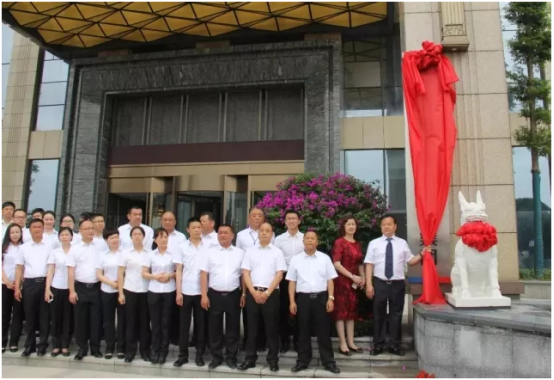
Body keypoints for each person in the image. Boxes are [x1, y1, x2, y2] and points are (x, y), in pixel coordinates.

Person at [365, 214, 428, 356]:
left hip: (397, 284)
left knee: (396, 314)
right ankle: (378, 345)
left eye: (389, 224)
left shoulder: (402, 243)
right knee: (378, 314)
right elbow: (369, 264)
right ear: (381, 226)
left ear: (395, 226)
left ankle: (394, 345)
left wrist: (422, 254)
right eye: (383, 224)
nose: (386, 226)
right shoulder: (374, 243)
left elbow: (411, 261)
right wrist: (369, 284)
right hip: (380, 282)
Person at [286, 230, 340, 374]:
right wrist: (292, 301)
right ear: (303, 241)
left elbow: (330, 280)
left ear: (317, 242)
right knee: (303, 331)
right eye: (307, 238)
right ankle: (302, 362)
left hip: (321, 298)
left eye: (313, 238)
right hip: (302, 299)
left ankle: (329, 362)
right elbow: (292, 282)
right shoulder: (296, 260)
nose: (310, 240)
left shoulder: (324, 258)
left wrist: (331, 298)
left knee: (324, 332)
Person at [239, 222, 286, 372]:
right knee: (251, 329)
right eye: (262, 230)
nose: (264, 233)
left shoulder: (277, 252)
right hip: (253, 293)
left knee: (271, 328)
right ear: (258, 233)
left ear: (272, 234)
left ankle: (273, 360)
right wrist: (252, 292)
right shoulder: (250, 252)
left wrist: (266, 293)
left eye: (268, 231)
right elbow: (245, 273)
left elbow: (279, 274)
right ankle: (250, 359)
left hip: (271, 294)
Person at [199, 224, 245, 370]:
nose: (222, 235)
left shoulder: (240, 253)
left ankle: (231, 357)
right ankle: (216, 357)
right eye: (220, 233)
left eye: (226, 233)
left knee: (233, 327)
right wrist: (204, 295)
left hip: (233, 294)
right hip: (214, 294)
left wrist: (243, 293)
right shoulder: (209, 252)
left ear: (232, 235)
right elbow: (204, 274)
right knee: (214, 327)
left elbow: (244, 275)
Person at [236, 207, 273, 352]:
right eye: (254, 215)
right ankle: (248, 342)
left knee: (265, 313)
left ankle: (263, 342)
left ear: (263, 218)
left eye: (260, 215)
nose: (257, 218)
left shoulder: (269, 233)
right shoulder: (241, 235)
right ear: (249, 218)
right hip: (247, 277)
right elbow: (239, 256)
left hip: (265, 278)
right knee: (249, 314)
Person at [173, 217, 209, 367]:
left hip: (202, 292)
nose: (196, 230)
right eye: (193, 227)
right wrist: (178, 292)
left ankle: (199, 355)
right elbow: (179, 270)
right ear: (188, 230)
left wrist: (206, 293)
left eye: (199, 227)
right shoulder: (181, 247)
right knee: (184, 325)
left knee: (201, 325)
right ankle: (183, 355)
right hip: (186, 291)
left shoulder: (209, 246)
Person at [14, 218, 51, 357]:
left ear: (43, 229)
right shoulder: (23, 248)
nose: (37, 229)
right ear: (30, 230)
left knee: (44, 315)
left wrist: (48, 287)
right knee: (29, 316)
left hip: (45, 283)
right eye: (34, 227)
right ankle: (30, 345)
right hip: (29, 284)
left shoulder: (48, 247)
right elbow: (19, 268)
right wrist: (17, 287)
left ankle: (42, 345)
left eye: (39, 227)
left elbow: (51, 268)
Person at [67, 219, 103, 360]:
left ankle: (95, 348)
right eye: (86, 228)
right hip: (80, 287)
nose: (90, 231)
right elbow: (71, 271)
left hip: (96, 287)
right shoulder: (74, 249)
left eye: (91, 228)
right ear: (80, 230)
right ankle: (82, 348)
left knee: (96, 320)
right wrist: (72, 291)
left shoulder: (101, 246)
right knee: (80, 320)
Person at [331, 216, 365, 356]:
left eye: (353, 224)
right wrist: (352, 276)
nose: (351, 226)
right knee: (341, 313)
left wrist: (363, 278)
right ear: (344, 227)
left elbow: (360, 263)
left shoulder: (357, 244)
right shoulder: (339, 242)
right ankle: (342, 344)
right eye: (348, 224)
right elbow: (336, 264)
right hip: (341, 282)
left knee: (351, 313)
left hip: (355, 283)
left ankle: (351, 342)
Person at [142, 228, 176, 365]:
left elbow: (178, 271)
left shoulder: (173, 254)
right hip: (154, 290)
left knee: (166, 323)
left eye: (165, 236)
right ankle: (154, 350)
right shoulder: (150, 255)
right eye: (160, 237)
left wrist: (169, 275)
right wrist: (155, 277)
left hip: (169, 290)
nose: (163, 239)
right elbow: (144, 272)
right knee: (155, 323)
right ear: (155, 240)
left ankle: (164, 351)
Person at [118, 226, 151, 363]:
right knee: (130, 322)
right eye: (135, 234)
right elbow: (120, 273)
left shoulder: (149, 253)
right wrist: (120, 293)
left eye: (139, 234)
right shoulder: (125, 253)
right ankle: (130, 352)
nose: (137, 236)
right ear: (131, 237)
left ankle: (145, 351)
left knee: (144, 323)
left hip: (145, 291)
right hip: (129, 290)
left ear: (144, 237)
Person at [274, 209, 304, 353]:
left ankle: (298, 341)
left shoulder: (305, 238)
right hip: (284, 278)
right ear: (285, 222)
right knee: (283, 310)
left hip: (301, 279)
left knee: (300, 310)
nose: (291, 221)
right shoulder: (279, 239)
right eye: (288, 219)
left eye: (294, 218)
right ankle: (284, 340)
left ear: (299, 221)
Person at [45, 227, 74, 357]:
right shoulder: (55, 252)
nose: (64, 237)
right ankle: (56, 345)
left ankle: (65, 345)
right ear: (59, 237)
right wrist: (47, 289)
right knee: (56, 317)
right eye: (62, 234)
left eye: (67, 234)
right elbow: (50, 271)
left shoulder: (75, 251)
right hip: (56, 287)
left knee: (68, 318)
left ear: (72, 237)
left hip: (71, 288)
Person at [96, 229, 126, 360]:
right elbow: (98, 274)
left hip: (123, 291)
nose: (115, 240)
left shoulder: (125, 254)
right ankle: (109, 347)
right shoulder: (102, 255)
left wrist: (119, 284)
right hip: (107, 291)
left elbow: (128, 272)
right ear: (106, 240)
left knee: (122, 320)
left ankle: (121, 348)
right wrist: (111, 283)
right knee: (108, 321)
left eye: (116, 237)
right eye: (112, 238)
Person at [160, 211, 186, 347]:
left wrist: (172, 274)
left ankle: (174, 336)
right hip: (157, 279)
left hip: (176, 276)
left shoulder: (181, 237)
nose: (168, 222)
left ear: (175, 222)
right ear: (161, 221)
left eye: (171, 220)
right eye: (165, 219)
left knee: (175, 310)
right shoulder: (155, 235)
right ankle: (161, 336)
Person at [2, 223, 24, 353]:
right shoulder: (4, 248)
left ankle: (14, 342)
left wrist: (18, 282)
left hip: (19, 285)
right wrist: (6, 280)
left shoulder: (24, 248)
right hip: (5, 284)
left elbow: (24, 267)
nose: (15, 234)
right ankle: (2, 341)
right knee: (4, 314)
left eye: (17, 232)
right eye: (12, 232)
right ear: (8, 234)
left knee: (17, 314)